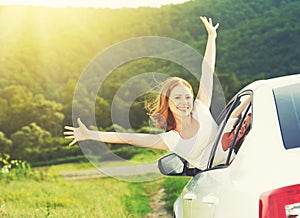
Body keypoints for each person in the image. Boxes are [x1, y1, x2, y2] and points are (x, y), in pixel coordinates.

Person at [64, 16, 219, 169]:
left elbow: (207, 71)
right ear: (168, 102)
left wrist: (212, 37)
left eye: (187, 97)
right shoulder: (171, 140)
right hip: (220, 176)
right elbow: (127, 138)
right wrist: (90, 134)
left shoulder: (201, 108)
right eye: (177, 97)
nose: (184, 102)